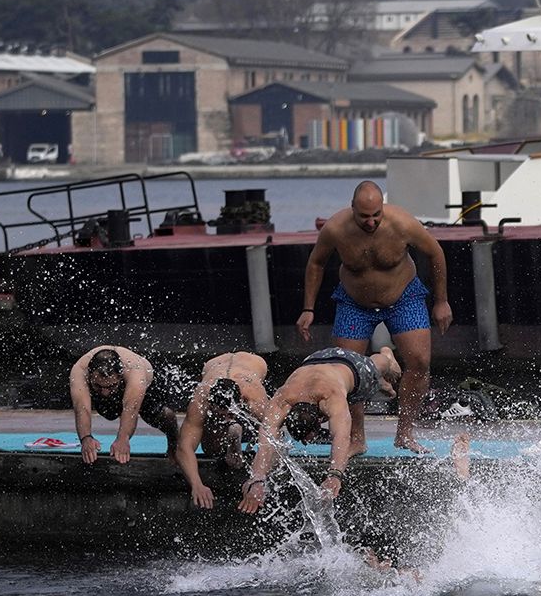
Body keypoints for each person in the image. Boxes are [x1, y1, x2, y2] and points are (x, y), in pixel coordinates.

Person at [297, 181, 452, 454]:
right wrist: (308, 309)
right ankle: (357, 438)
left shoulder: (403, 223)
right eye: (364, 216)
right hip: (354, 303)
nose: (371, 222)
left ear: (383, 208)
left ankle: (405, 433)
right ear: (352, 208)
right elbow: (316, 263)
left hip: (404, 297)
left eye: (376, 215)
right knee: (346, 370)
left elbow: (435, 253)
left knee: (419, 361)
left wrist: (441, 301)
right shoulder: (335, 228)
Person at [237, 347, 401, 514]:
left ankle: (386, 358)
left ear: (319, 421)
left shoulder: (330, 397)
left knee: (375, 367)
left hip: (352, 365)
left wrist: (335, 475)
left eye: (308, 438)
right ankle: (379, 385)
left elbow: (341, 437)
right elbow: (266, 441)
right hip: (314, 359)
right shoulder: (282, 399)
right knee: (357, 392)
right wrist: (257, 480)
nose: (307, 443)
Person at [173, 351, 272, 509]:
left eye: (230, 415)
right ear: (211, 404)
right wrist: (197, 484)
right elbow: (184, 446)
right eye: (221, 415)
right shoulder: (201, 398)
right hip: (215, 363)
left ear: (240, 401)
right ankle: (232, 432)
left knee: (268, 437)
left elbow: (272, 439)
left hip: (253, 362)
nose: (225, 419)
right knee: (210, 449)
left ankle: (237, 431)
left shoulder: (254, 397)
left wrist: (258, 479)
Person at [69, 346, 194, 465]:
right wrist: (85, 438)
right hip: (111, 386)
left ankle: (173, 441)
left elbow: (131, 410)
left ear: (120, 376)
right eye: (98, 386)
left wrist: (123, 438)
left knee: (160, 415)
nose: (105, 393)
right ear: (90, 375)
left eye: (111, 386)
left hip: (147, 386)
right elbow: (81, 408)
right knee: (107, 411)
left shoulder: (135, 371)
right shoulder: (80, 370)